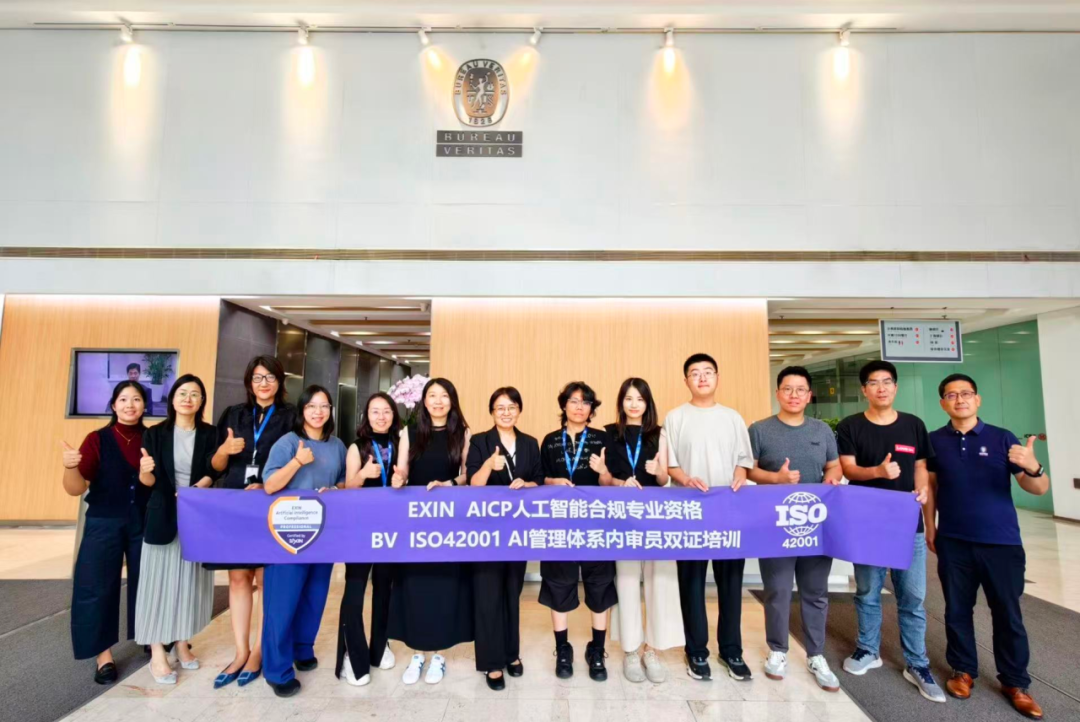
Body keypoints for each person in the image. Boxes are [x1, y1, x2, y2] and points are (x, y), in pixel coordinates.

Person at [926, 373, 1050, 720]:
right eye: (952, 395)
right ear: (943, 403)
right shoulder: (934, 441)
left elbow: (1037, 488)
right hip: (954, 541)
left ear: (977, 399)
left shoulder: (1002, 438)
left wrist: (1034, 467)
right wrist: (930, 526)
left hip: (1001, 542)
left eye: (966, 393)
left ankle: (1015, 682)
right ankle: (963, 670)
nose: (960, 399)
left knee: (1008, 613)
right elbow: (931, 487)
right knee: (956, 610)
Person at [836, 360, 945, 703]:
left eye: (887, 382)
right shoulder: (851, 426)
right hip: (866, 521)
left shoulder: (913, 425)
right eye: (873, 382)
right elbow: (848, 468)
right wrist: (878, 472)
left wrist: (922, 489)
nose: (881, 388)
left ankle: (917, 663)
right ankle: (868, 650)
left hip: (907, 523)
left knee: (912, 596)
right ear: (864, 390)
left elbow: (921, 466)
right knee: (868, 590)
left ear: (895, 387)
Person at [745, 366, 842, 691]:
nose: (794, 395)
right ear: (778, 393)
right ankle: (778, 650)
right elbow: (748, 470)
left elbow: (834, 464)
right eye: (787, 389)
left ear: (809, 395)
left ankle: (816, 654)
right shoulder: (760, 429)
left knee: (815, 592)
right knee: (778, 590)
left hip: (815, 525)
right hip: (775, 526)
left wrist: (832, 479)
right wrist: (777, 479)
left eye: (801, 390)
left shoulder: (821, 430)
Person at [664, 353, 754, 682]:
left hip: (728, 512)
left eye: (708, 372)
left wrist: (740, 476)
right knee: (691, 584)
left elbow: (744, 460)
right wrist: (686, 479)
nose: (702, 378)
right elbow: (670, 464)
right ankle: (696, 651)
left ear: (717, 377)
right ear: (685, 380)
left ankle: (731, 650)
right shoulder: (675, 417)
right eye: (695, 373)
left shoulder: (732, 417)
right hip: (689, 513)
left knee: (731, 583)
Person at [208, 355, 297, 689]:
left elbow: (297, 463)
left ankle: (259, 651)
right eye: (258, 377)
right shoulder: (233, 414)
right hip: (235, 505)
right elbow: (215, 465)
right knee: (238, 578)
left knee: (264, 579)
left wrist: (269, 483)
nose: (264, 383)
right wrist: (225, 450)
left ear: (280, 381)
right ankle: (240, 651)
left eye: (270, 377)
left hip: (270, 504)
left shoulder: (291, 416)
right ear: (249, 381)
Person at [260, 385, 347, 697]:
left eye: (324, 406)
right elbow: (270, 485)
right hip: (288, 534)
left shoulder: (337, 445)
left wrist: (336, 489)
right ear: (302, 410)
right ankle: (277, 670)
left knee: (314, 596)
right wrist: (297, 462)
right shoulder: (287, 443)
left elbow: (342, 480)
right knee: (282, 603)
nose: (318, 412)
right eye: (312, 406)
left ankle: (302, 648)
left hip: (323, 532)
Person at [63, 381, 152, 685]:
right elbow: (75, 488)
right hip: (103, 522)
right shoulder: (96, 439)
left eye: (136, 399)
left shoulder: (153, 438)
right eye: (123, 399)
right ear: (114, 405)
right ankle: (104, 656)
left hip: (144, 521)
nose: (130, 405)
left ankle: (150, 636)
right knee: (97, 585)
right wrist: (70, 467)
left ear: (144, 405)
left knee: (148, 581)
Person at [388, 378, 474, 686]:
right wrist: (398, 479)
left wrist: (449, 483)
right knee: (415, 585)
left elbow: (468, 475)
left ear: (452, 400)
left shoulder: (463, 433)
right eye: (432, 395)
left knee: (444, 586)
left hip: (449, 523)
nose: (438, 401)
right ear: (424, 401)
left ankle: (438, 655)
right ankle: (417, 653)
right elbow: (402, 470)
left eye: (444, 396)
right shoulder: (409, 432)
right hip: (416, 523)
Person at [135, 374, 218, 684]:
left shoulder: (211, 434)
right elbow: (148, 482)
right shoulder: (155, 434)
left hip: (196, 516)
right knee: (157, 584)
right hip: (163, 516)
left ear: (202, 401)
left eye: (195, 394)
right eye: (182, 393)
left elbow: (214, 470)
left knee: (190, 582)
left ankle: (182, 643)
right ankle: (157, 651)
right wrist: (144, 472)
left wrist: (200, 487)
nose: (188, 399)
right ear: (172, 399)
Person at [603, 378, 684, 684]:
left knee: (658, 581)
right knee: (625, 580)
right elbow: (603, 479)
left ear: (647, 403)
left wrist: (659, 472)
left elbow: (664, 480)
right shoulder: (609, 433)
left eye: (639, 399)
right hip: (622, 517)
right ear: (621, 402)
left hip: (655, 517)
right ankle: (630, 650)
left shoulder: (660, 433)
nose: (634, 404)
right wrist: (619, 482)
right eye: (628, 398)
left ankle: (652, 650)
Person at [466, 387, 543, 691]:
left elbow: (539, 479)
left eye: (511, 407)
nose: (506, 412)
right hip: (486, 531)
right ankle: (491, 661)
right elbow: (473, 484)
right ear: (492, 412)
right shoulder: (479, 442)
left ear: (519, 410)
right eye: (500, 407)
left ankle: (511, 653)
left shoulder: (530, 443)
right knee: (488, 594)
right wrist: (488, 465)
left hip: (517, 531)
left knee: (512, 592)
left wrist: (528, 483)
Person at [539, 381, 616, 681]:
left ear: (592, 408)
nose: (579, 407)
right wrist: (552, 482)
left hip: (596, 525)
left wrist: (603, 472)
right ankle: (562, 648)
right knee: (558, 584)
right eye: (573, 401)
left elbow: (611, 484)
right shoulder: (549, 440)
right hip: (559, 524)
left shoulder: (603, 438)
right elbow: (539, 479)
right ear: (564, 405)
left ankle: (597, 650)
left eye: (585, 402)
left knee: (600, 585)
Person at [333, 392, 401, 687]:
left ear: (394, 415)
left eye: (386, 411)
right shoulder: (356, 447)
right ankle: (352, 653)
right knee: (355, 589)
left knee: (385, 588)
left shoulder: (401, 444)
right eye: (375, 411)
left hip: (392, 528)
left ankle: (380, 645)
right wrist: (362, 474)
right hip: (359, 529)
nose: (381, 416)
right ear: (367, 416)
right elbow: (348, 488)